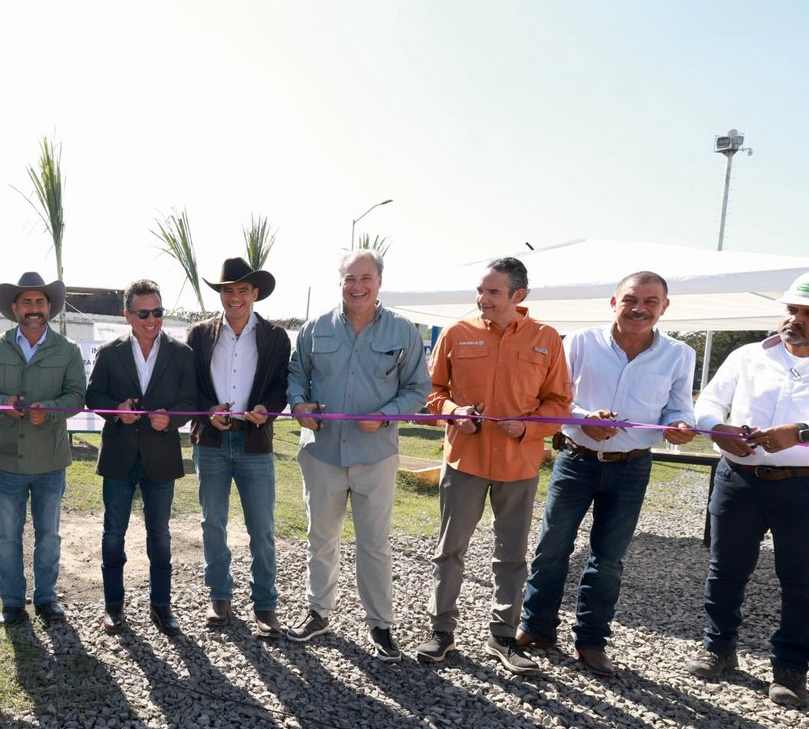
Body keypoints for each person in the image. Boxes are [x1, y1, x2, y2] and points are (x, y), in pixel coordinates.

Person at [689, 266, 809, 707]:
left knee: (803, 579)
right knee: (726, 569)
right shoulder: (748, 355)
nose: (795, 319)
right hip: (738, 479)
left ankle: (791, 668)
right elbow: (709, 400)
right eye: (792, 309)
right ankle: (718, 648)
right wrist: (714, 427)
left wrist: (802, 432)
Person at [515, 272, 696, 676]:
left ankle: (592, 641)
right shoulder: (579, 342)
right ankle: (537, 627)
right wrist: (581, 419)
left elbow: (679, 407)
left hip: (631, 467)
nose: (640, 308)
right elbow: (555, 398)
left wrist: (680, 425)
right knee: (551, 549)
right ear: (613, 302)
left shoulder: (679, 354)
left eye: (651, 302)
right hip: (576, 460)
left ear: (665, 308)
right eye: (631, 299)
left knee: (608, 559)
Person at [422, 256, 571, 671]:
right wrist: (454, 411)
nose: (481, 299)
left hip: (518, 466)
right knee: (449, 550)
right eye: (480, 290)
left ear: (517, 295)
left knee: (511, 556)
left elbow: (559, 404)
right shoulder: (456, 332)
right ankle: (441, 633)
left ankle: (503, 637)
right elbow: (433, 392)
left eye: (492, 292)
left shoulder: (546, 338)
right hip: (464, 462)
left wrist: (525, 428)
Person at [285, 250, 427, 655]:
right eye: (349, 278)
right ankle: (318, 611)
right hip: (322, 452)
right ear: (340, 282)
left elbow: (418, 388)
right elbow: (297, 374)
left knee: (374, 543)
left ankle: (380, 623)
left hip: (375, 454)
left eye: (365, 278)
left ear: (379, 282)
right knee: (321, 539)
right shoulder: (315, 328)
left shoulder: (402, 331)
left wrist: (385, 416)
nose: (357, 286)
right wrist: (298, 405)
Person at [0, 271, 87, 626]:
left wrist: (50, 410)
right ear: (15, 308)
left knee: (49, 535)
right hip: (7, 459)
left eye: (40, 302)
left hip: (51, 460)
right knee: (8, 537)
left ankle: (46, 598)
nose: (34, 309)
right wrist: (3, 402)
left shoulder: (68, 350)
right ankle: (11, 602)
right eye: (27, 303)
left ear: (49, 307)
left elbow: (78, 397)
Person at [85, 279, 200, 635]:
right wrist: (117, 409)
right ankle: (113, 607)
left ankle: (161, 607)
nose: (153, 319)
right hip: (120, 456)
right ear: (127, 315)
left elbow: (189, 402)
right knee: (113, 535)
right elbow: (93, 397)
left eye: (159, 312)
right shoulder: (109, 351)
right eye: (145, 313)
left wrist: (172, 419)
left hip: (161, 457)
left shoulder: (182, 354)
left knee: (161, 537)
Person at [187, 258, 291, 636]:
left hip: (255, 442)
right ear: (221, 294)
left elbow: (282, 385)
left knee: (261, 528)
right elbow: (191, 385)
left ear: (255, 294)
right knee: (213, 523)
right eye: (228, 291)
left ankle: (265, 606)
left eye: (242, 291)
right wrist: (206, 411)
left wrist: (269, 409)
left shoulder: (276, 336)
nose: (235, 298)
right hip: (211, 441)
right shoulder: (199, 334)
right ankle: (220, 598)